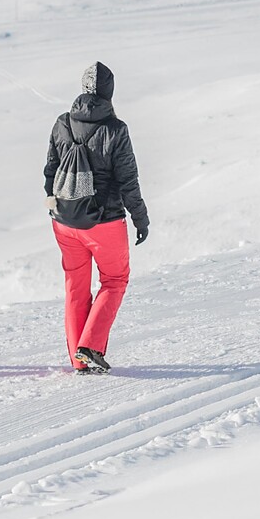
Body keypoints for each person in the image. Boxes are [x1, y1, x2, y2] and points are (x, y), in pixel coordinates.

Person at [44, 61, 148, 373]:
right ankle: (90, 346)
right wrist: (140, 219)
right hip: (104, 222)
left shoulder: (62, 123)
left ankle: (79, 360)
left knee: (76, 286)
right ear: (109, 92)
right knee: (114, 281)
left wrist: (55, 206)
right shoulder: (116, 129)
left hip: (64, 221)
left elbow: (50, 171)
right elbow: (128, 181)